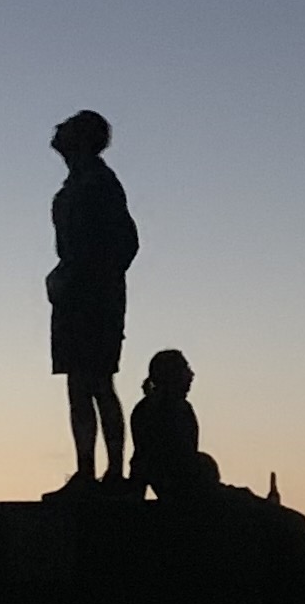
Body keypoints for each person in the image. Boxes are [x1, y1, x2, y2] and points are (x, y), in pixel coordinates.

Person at [47, 109, 139, 483]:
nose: (58, 129)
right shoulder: (77, 184)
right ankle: (86, 470)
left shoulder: (99, 183)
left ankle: (113, 472)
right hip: (74, 295)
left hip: (94, 298)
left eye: (68, 127)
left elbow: (125, 244)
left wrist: (87, 276)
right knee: (79, 386)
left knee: (98, 382)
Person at [128, 347, 222, 502]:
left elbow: (140, 462)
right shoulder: (168, 410)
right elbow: (144, 460)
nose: (191, 376)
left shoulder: (148, 409)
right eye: (186, 369)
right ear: (173, 375)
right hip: (184, 491)